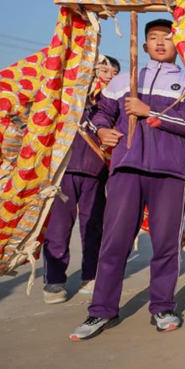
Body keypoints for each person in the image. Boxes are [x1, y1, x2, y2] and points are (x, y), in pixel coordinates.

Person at [69, 19, 185, 340]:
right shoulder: (124, 80)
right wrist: (103, 131)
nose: (160, 43)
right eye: (153, 38)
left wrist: (149, 112)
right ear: (143, 46)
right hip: (127, 169)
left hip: (169, 172)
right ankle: (101, 311)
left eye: (167, 38)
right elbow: (98, 114)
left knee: (165, 243)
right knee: (114, 242)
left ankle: (162, 306)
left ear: (177, 46)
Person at [42, 55, 118, 304]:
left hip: (96, 173)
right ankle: (54, 281)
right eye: (103, 69)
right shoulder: (70, 97)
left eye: (113, 72)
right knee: (58, 227)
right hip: (65, 169)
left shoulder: (111, 105)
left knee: (93, 226)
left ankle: (91, 275)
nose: (108, 75)